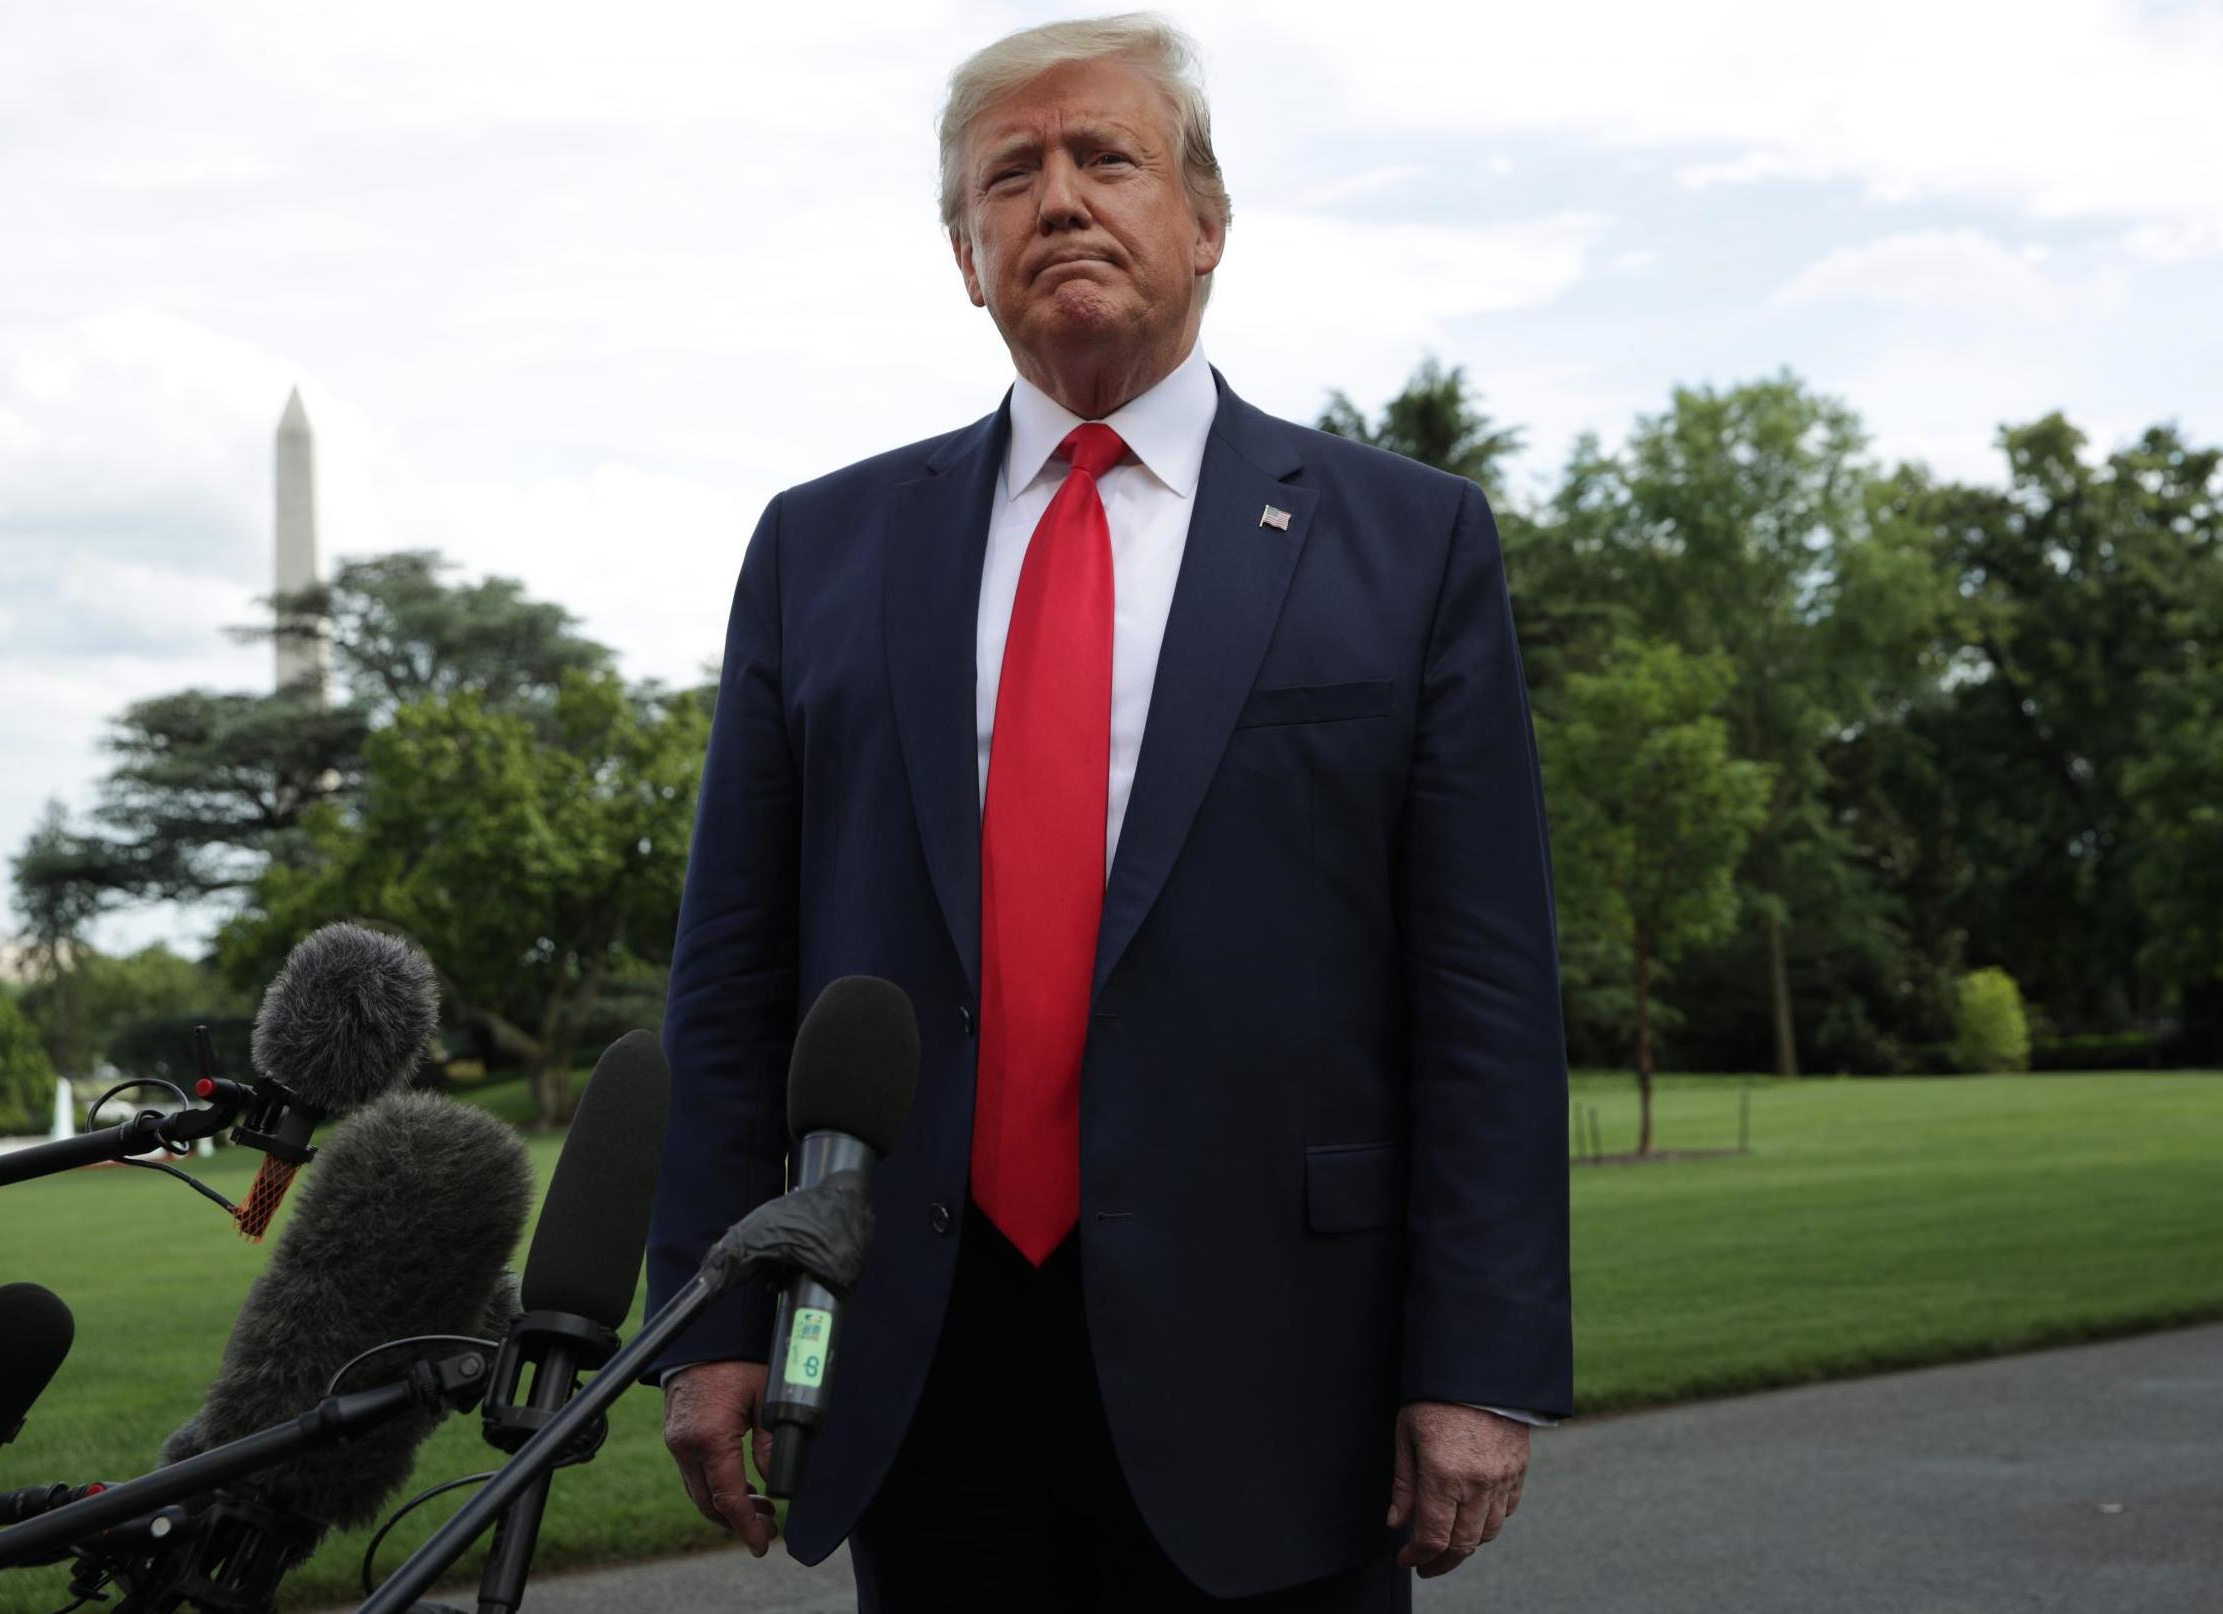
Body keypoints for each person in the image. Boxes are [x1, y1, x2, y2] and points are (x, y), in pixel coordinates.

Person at [644, 14, 1573, 1610]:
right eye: (1011, 174)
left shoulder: (1406, 543)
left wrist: (1480, 1356)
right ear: (964, 252)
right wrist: (711, 1324)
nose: (1057, 198)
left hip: (1284, 1355)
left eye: (1106, 159)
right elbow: (731, 973)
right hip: (921, 1348)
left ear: (1205, 222)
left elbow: (1482, 982)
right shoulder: (823, 548)